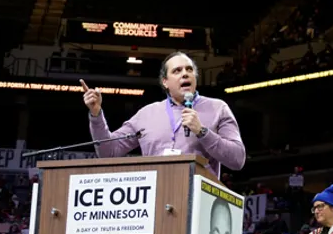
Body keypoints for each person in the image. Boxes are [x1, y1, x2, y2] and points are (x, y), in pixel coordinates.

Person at [81, 52, 246, 175]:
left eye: (189, 70)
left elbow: (237, 159)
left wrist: (202, 132)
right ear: (165, 82)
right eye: (177, 71)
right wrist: (96, 114)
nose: (185, 74)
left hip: (199, 200)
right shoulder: (146, 114)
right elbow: (108, 152)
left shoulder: (218, 108)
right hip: (155, 200)